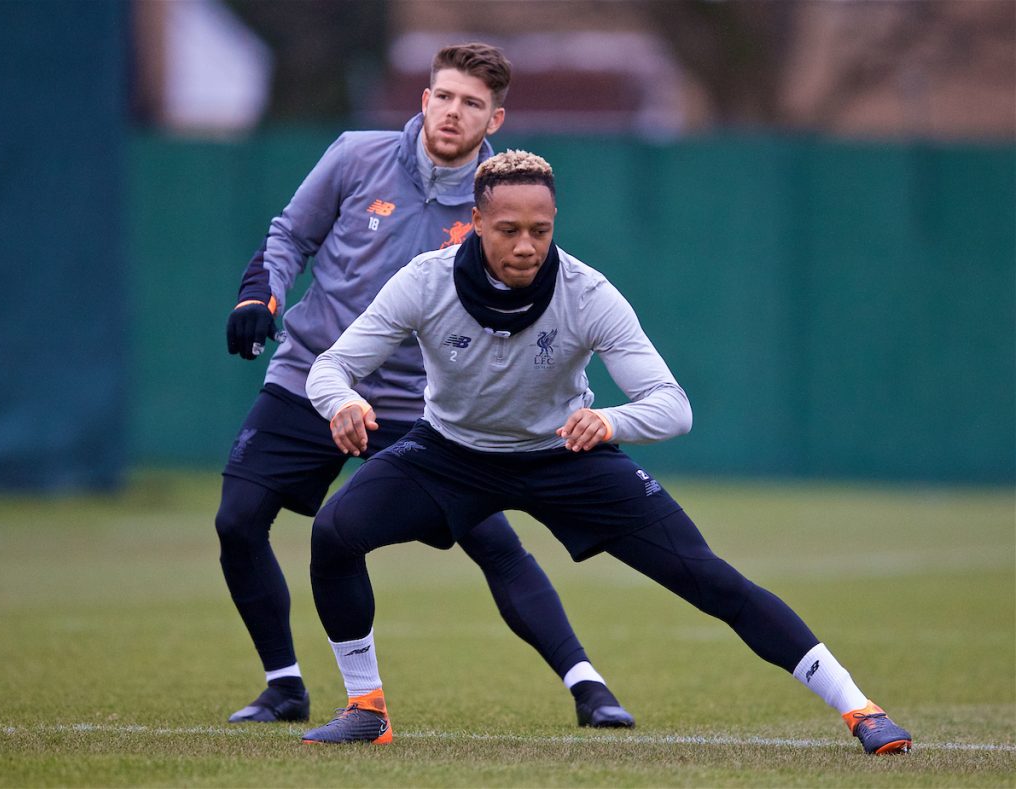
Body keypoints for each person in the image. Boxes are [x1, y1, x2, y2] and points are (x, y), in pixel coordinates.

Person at [301, 149, 913, 755]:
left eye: (540, 231)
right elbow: (331, 368)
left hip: (563, 452)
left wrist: (609, 420)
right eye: (509, 230)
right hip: (450, 454)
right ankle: (367, 709)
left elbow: (672, 405)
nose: (525, 246)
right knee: (334, 531)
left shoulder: (587, 292)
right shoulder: (423, 281)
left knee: (709, 578)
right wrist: (342, 404)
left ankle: (862, 709)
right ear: (477, 222)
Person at [218, 43, 633, 731]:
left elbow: (526, 295)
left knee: (491, 539)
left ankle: (589, 686)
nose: (453, 111)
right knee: (237, 520)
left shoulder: (498, 199)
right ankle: (284, 684)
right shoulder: (355, 155)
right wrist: (259, 295)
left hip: (423, 404)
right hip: (313, 375)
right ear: (424, 100)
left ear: (494, 116)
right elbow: (290, 233)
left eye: (471, 103)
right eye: (444, 96)